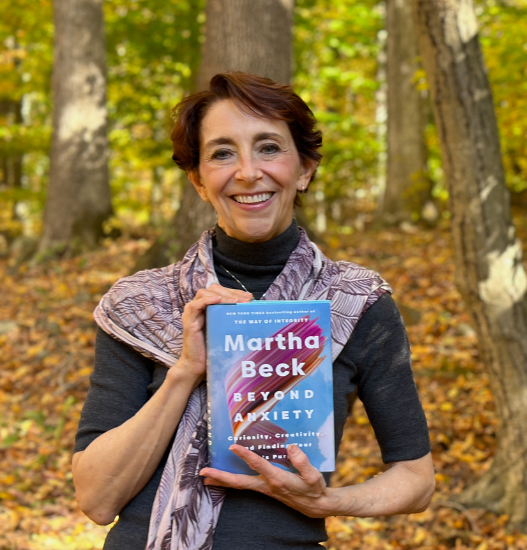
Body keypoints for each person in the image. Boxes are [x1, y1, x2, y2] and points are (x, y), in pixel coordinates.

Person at [72, 72, 434, 549]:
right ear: (199, 181)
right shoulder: (141, 304)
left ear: (304, 169)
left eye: (268, 148)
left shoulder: (355, 302)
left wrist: (329, 502)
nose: (247, 171)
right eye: (222, 153)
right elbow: (97, 499)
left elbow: (416, 478)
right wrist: (186, 371)